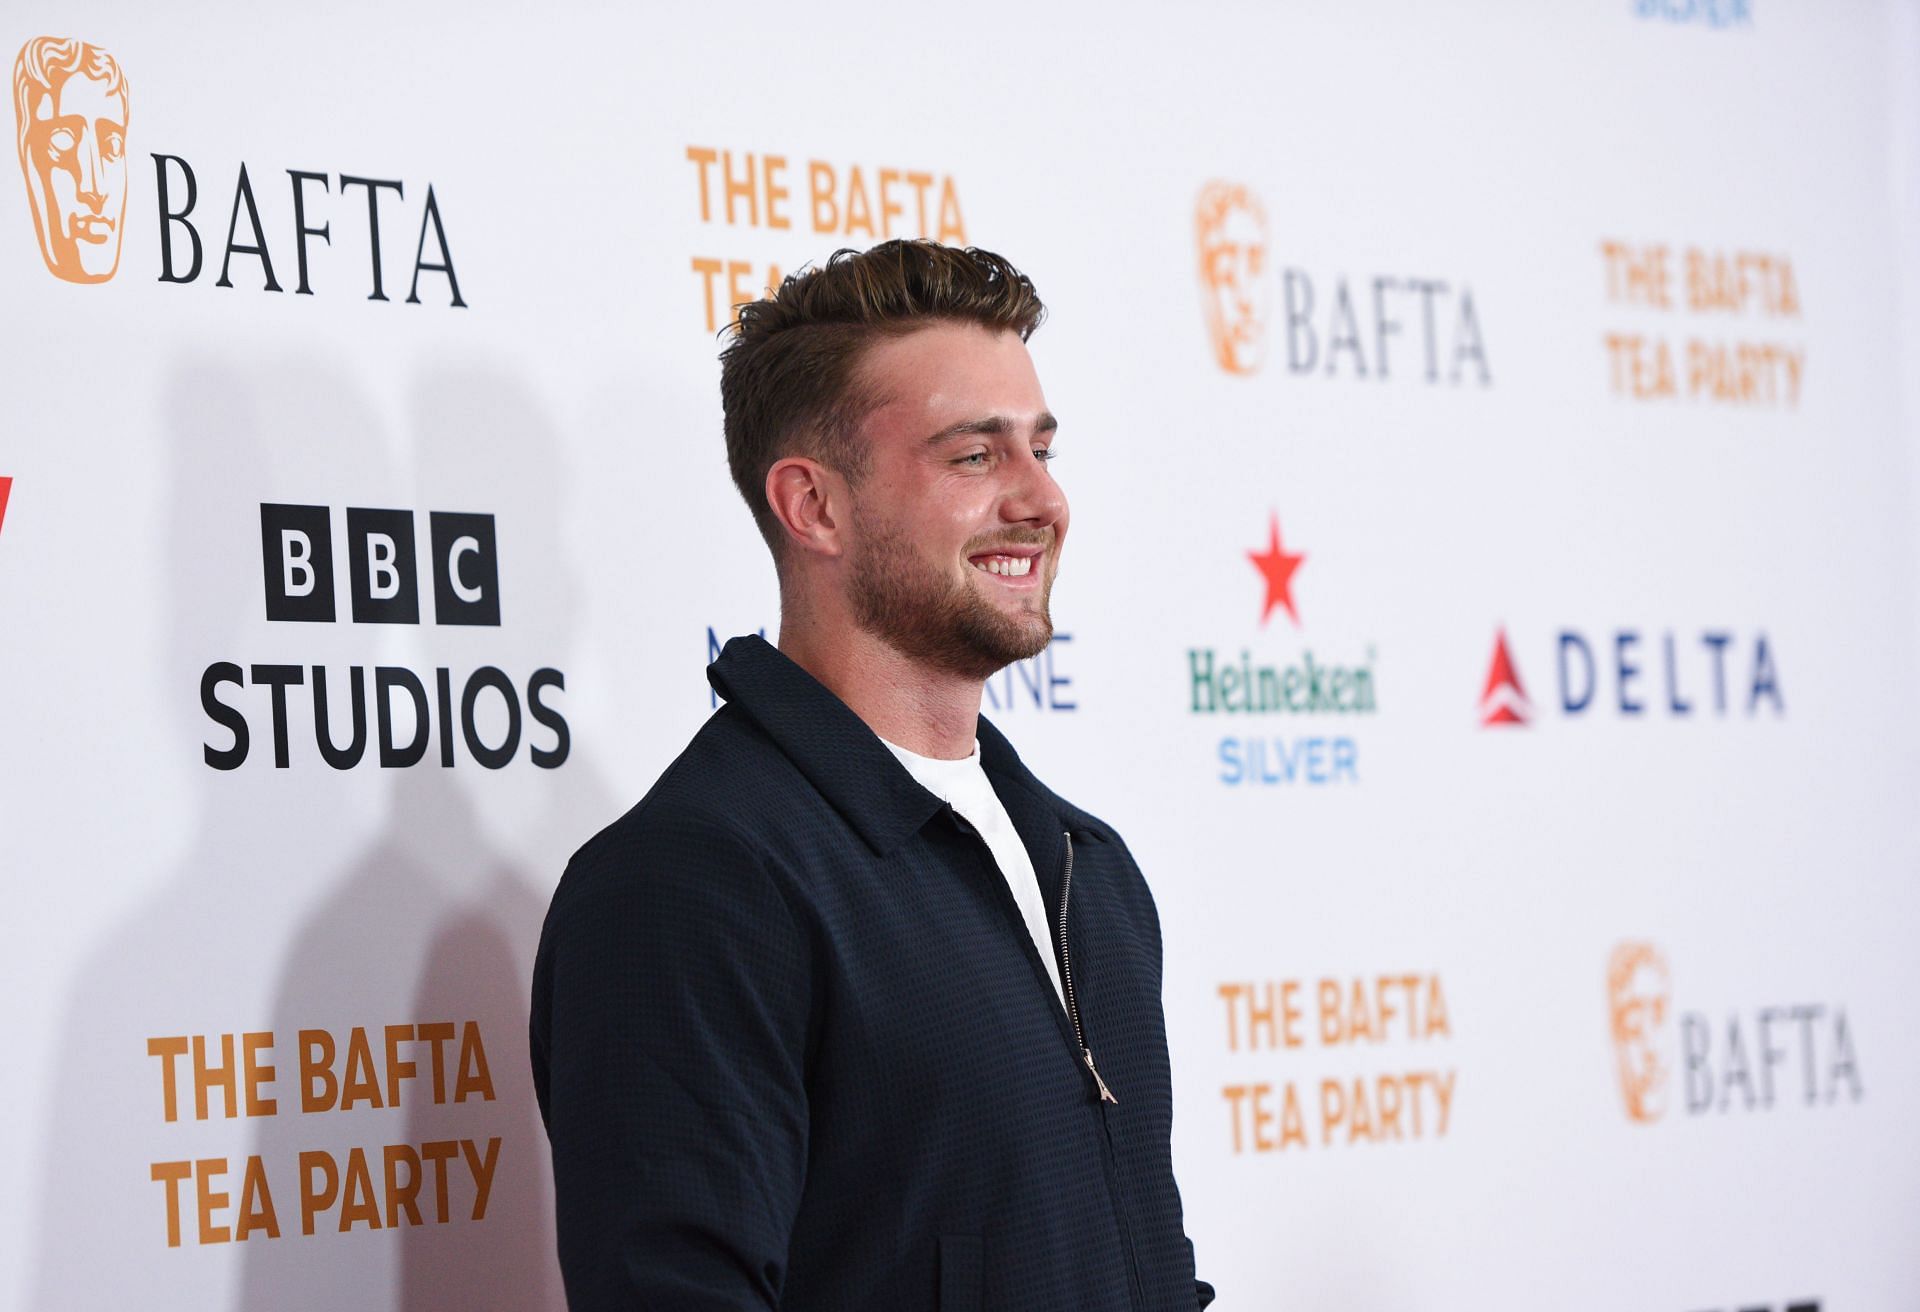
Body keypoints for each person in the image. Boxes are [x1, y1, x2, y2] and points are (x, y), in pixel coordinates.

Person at [531, 239, 1213, 1309]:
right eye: (975, 457)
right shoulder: (695, 884)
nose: (1044, 499)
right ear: (814, 507)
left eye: (1041, 446)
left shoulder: (1086, 865)